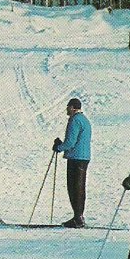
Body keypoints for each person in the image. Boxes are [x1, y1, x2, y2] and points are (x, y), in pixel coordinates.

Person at [53, 98, 92, 228]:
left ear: (73, 107)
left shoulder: (75, 120)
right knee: (79, 187)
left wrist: (59, 147)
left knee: (74, 187)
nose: (66, 109)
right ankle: (79, 216)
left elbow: (70, 142)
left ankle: (78, 217)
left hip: (76, 157)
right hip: (84, 156)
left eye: (68, 106)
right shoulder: (84, 120)